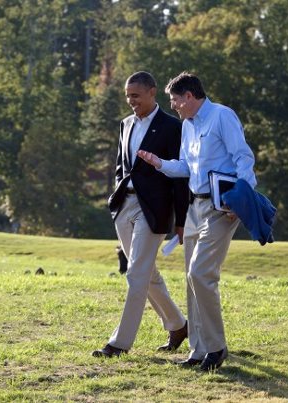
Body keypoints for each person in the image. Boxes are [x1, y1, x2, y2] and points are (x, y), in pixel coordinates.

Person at [137, 72, 257, 371]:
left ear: (189, 96)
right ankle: (198, 350)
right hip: (194, 208)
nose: (174, 106)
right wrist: (159, 164)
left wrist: (241, 199)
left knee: (200, 273)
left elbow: (243, 158)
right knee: (191, 280)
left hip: (222, 208)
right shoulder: (187, 126)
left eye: (175, 100)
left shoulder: (222, 116)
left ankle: (216, 349)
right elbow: (185, 168)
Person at [92, 71, 189, 358]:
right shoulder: (125, 124)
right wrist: (116, 198)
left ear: (152, 92)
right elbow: (122, 166)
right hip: (125, 206)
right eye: (127, 96)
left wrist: (181, 220)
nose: (131, 101)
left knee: (136, 273)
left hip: (154, 210)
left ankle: (119, 343)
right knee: (148, 273)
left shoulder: (173, 127)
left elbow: (180, 177)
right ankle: (178, 325)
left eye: (135, 95)